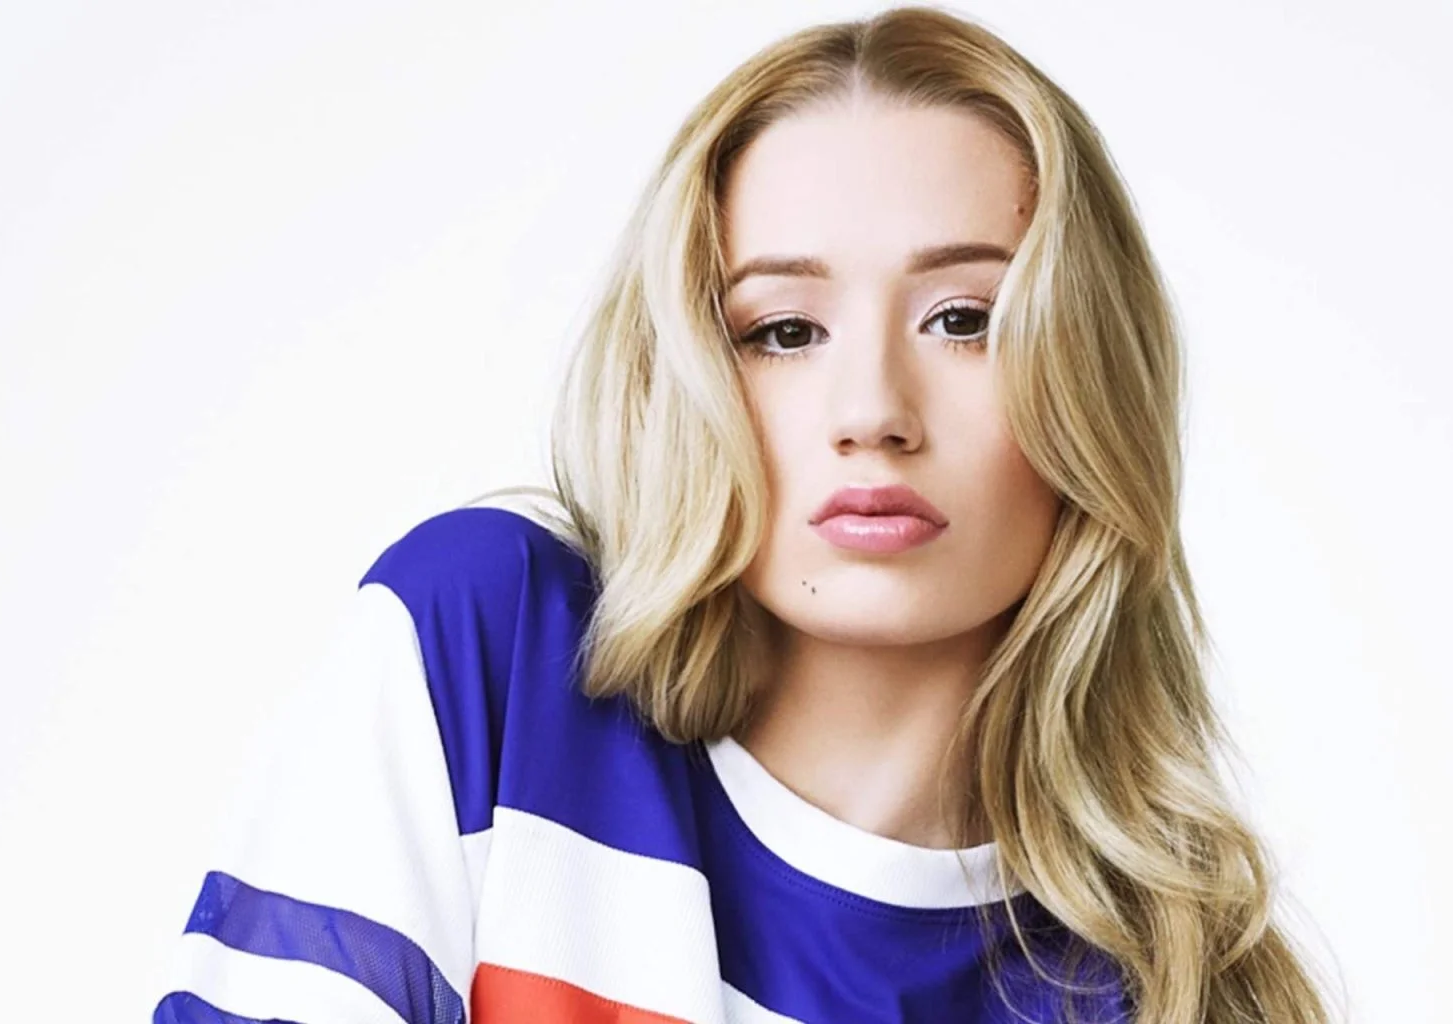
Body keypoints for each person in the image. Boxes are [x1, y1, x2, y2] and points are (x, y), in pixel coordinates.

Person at [152, 6, 1335, 1023]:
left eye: (965, 320)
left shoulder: (1169, 992)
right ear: (692, 375)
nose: (872, 412)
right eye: (784, 330)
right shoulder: (490, 661)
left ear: (1094, 379)